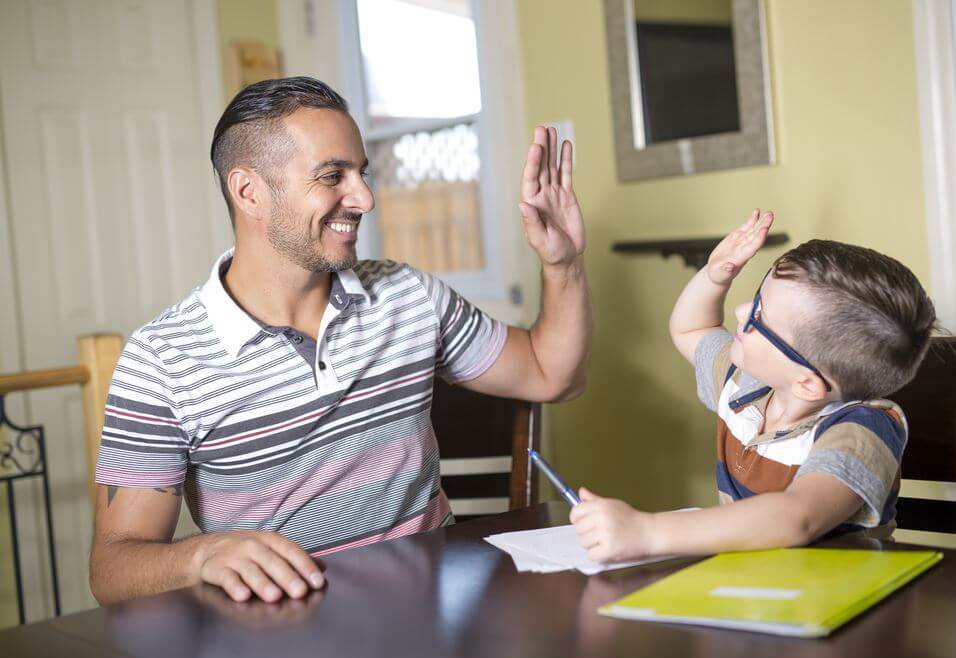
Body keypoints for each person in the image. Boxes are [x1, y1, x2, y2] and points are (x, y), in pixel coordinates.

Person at [89, 77, 591, 604]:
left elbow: (552, 374)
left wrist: (563, 263)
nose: (365, 198)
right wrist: (203, 554)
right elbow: (113, 569)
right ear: (248, 192)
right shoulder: (161, 360)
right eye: (333, 175)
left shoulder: (408, 294)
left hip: (436, 618)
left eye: (362, 173)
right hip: (286, 631)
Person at [571, 209, 936, 562]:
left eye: (760, 317)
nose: (741, 311)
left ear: (808, 384)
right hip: (754, 587)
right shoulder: (745, 388)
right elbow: (691, 330)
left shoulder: (862, 429)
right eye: (758, 297)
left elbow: (797, 517)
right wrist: (715, 278)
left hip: (838, 598)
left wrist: (647, 532)